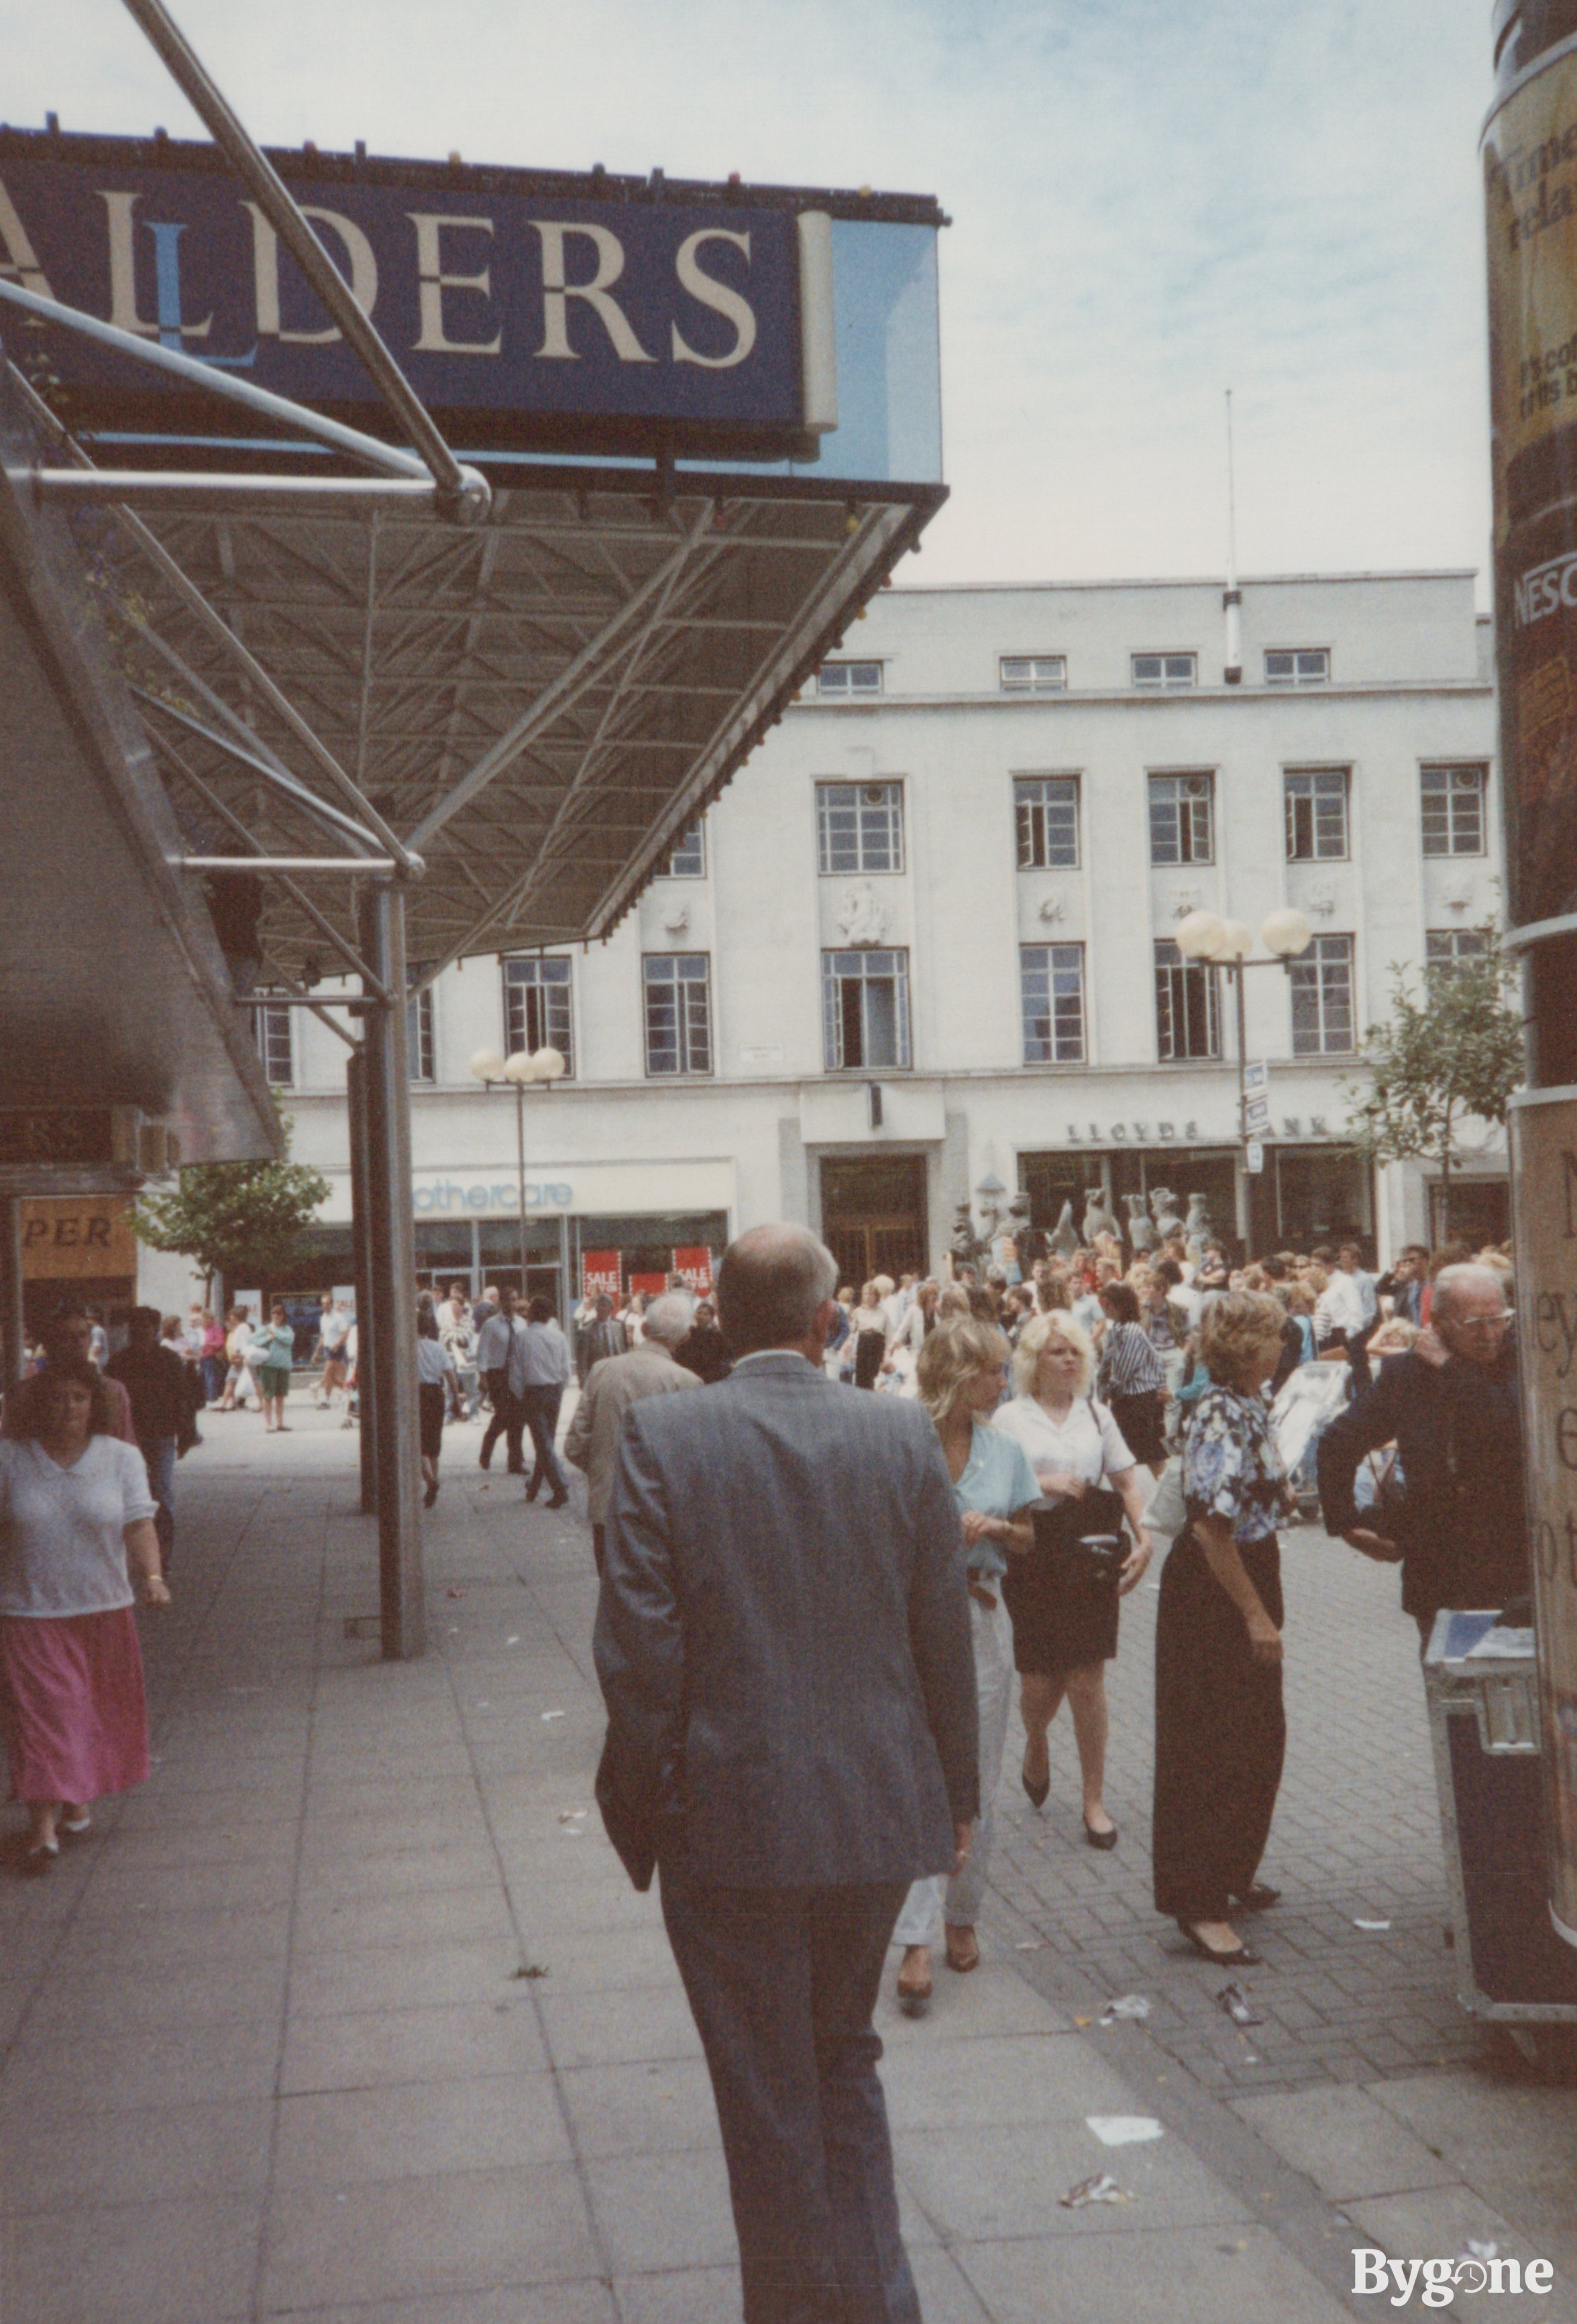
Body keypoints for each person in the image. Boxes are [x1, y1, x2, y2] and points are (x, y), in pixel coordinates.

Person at [595, 1224, 977, 2324]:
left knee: (765, 2088)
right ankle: (875, 2302)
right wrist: (956, 1795)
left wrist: (648, 1802)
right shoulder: (900, 1434)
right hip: (867, 1807)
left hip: (729, 1818)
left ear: (717, 1318)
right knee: (841, 2055)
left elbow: (637, 1649)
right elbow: (939, 1633)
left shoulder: (669, 1436)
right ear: (828, 1320)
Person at [892, 1317, 1041, 2013]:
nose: (1003, 1382)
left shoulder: (1004, 1449)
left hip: (978, 1616)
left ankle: (961, 1916)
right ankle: (915, 1937)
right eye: (992, 1371)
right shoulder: (900, 1443)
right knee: (915, 1773)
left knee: (973, 1776)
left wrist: (999, 1528)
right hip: (906, 1624)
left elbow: (1030, 1540)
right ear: (958, 1374)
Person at [1152, 1290, 1293, 1969]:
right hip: (1215, 1589)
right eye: (1270, 1334)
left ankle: (1230, 1871)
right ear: (1243, 1344)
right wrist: (1253, 1613)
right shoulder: (1217, 1409)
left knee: (1256, 1735)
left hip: (1246, 1568)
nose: (1279, 1344)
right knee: (1209, 1742)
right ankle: (1198, 1901)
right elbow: (1211, 1526)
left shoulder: (1245, 1401)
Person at [0, 1357, 171, 1869]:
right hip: (30, 1610)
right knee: (47, 1715)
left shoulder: (120, 1458)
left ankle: (74, 1801)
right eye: (58, 1398)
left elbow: (139, 1524)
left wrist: (154, 1578)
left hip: (103, 1609)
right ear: (38, 1406)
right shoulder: (9, 1459)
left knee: (87, 1716)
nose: (69, 1408)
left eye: (79, 1398)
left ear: (95, 1405)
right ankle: (42, 1829)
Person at [993, 1310, 1154, 1846]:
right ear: (1033, 1359)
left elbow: (1126, 1480)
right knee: (1040, 1679)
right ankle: (1035, 1739)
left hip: (1088, 1549)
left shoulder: (1097, 1412)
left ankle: (1094, 1800)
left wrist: (1145, 1535)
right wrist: (1042, 1479)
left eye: (1074, 1351)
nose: (1066, 1359)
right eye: (1055, 1350)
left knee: (1086, 1677)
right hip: (1032, 1549)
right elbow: (989, 1483)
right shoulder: (1009, 1417)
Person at [1317, 1264, 1525, 1644]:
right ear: (1439, 1322)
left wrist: (1449, 1367)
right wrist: (1344, 1521)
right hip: (1442, 1568)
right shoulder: (1407, 1374)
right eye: (1475, 1323)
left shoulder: (1525, 1364)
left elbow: (1505, 1428)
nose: (1489, 1334)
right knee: (1454, 1686)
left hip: (1519, 1567)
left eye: (1498, 1320)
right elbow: (1338, 1442)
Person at [565, 1290, 701, 1574]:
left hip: (608, 1508)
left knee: (612, 1597)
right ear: (685, 1337)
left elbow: (575, 1445)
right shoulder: (688, 1383)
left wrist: (603, 1471)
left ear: (644, 1328)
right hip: (662, 1515)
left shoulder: (602, 1371)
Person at [106, 1307, 195, 1569]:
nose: (140, 1331)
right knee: (126, 1493)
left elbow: (183, 1398)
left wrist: (186, 1432)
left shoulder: (168, 1360)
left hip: (161, 1433)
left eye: (145, 1326)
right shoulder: (119, 1362)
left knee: (160, 1491)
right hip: (127, 1436)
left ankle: (162, 1552)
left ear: (154, 1329)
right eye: (136, 1326)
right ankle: (131, 1550)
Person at [4, 1307, 138, 1447]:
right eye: (66, 1336)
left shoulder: (113, 1391)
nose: (77, 1342)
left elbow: (127, 1445)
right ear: (50, 1343)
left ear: (90, 1340)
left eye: (82, 1335)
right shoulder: (23, 1393)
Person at [1095, 1280, 1167, 1476]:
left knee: (1149, 1452)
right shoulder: (1118, 1330)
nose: (1105, 1308)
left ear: (1121, 1306)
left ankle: (1165, 1491)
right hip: (1128, 1398)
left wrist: (1111, 1390)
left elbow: (1124, 1371)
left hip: (1139, 1398)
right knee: (1127, 1451)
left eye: (1109, 1304)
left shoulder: (1132, 1331)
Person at [516, 1296, 571, 1507]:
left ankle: (560, 1486)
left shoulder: (522, 1338)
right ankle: (534, 1487)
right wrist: (560, 1388)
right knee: (546, 1441)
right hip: (554, 1389)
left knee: (543, 1442)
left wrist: (521, 1394)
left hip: (533, 1391)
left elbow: (517, 1372)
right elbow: (566, 1369)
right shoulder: (559, 1337)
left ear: (531, 1313)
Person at [476, 1288, 527, 1473]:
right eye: (508, 1300)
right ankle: (488, 1444)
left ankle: (515, 1462)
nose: (511, 1304)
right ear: (501, 1303)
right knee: (504, 1414)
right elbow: (482, 1351)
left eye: (514, 1300)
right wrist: (482, 1377)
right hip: (497, 1374)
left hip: (516, 1375)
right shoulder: (491, 1324)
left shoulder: (522, 1324)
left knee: (518, 1419)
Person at [416, 1307, 458, 1508]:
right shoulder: (438, 1347)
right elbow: (450, 1375)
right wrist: (456, 1400)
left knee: (418, 1444)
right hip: (436, 1394)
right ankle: (433, 1481)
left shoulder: (408, 1349)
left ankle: (431, 1482)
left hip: (417, 1395)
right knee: (433, 1445)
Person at [249, 1303, 298, 1433]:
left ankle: (280, 1423)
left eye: (279, 1313)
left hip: (284, 1366)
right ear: (271, 1315)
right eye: (274, 1313)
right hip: (269, 1366)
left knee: (280, 1396)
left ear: (283, 1316)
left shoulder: (287, 1329)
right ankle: (269, 1424)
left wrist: (275, 1333)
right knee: (268, 1396)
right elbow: (252, 1340)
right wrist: (267, 1338)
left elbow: (290, 1340)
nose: (276, 1315)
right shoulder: (266, 1329)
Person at [673, 1296, 730, 1384]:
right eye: (699, 1313)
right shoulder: (688, 1334)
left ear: (711, 1318)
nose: (701, 1316)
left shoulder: (717, 1336)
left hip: (712, 1376)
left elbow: (725, 1355)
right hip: (691, 1374)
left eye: (705, 1314)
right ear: (695, 1315)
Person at [577, 1292, 627, 1385]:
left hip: (617, 1376)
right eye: (599, 1305)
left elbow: (623, 1351)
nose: (601, 1309)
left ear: (611, 1309)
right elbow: (582, 1362)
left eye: (605, 1306)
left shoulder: (618, 1327)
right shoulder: (587, 1331)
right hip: (597, 1378)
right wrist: (584, 1384)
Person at [849, 1280, 889, 1390]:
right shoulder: (858, 1312)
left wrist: (887, 1353)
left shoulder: (883, 1313)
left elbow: (889, 1335)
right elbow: (851, 1332)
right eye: (866, 1294)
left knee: (874, 1377)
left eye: (871, 1294)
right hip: (863, 1344)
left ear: (876, 1296)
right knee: (861, 1377)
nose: (868, 1297)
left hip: (877, 1345)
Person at [313, 1295, 351, 1408]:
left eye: (327, 1303)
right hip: (327, 1349)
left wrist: (337, 1345)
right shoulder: (323, 1318)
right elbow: (323, 1336)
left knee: (329, 1373)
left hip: (337, 1349)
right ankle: (348, 1393)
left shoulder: (339, 1317)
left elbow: (345, 1333)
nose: (325, 1306)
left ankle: (326, 1400)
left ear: (331, 1304)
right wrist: (316, 1352)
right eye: (323, 1304)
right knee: (333, 1377)